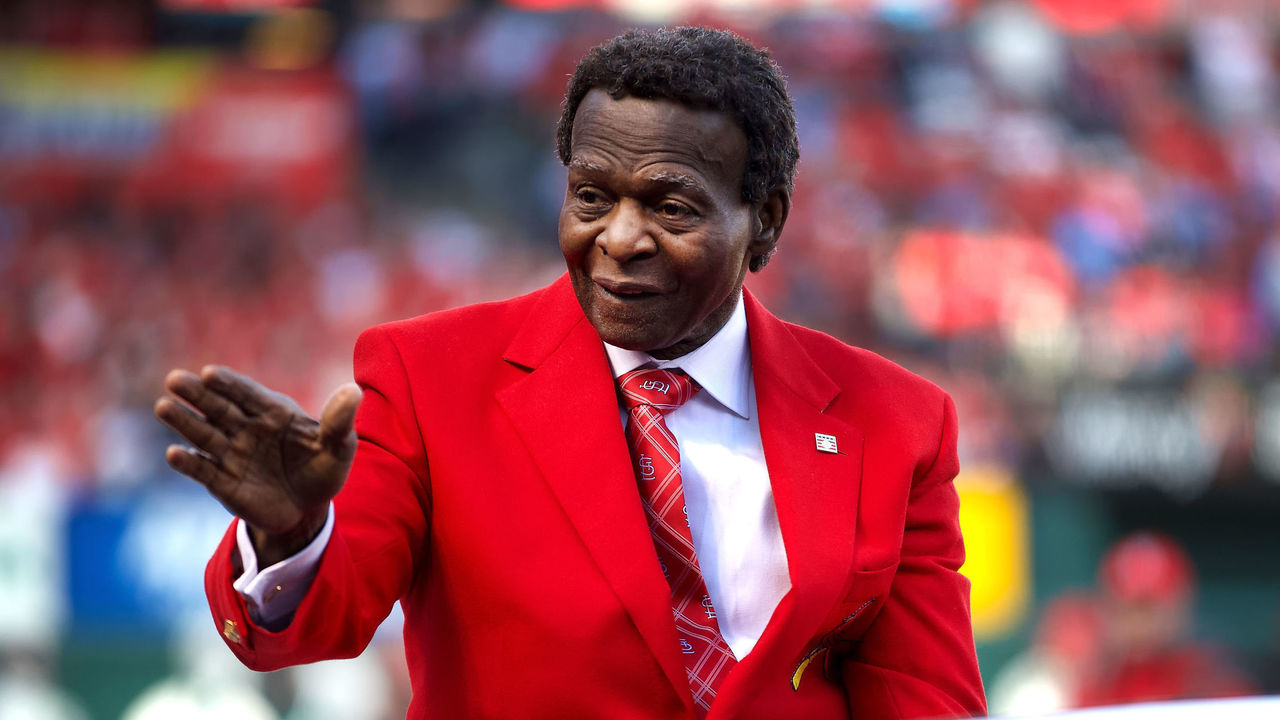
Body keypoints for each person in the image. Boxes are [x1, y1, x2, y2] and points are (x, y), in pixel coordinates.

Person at [154, 27, 985, 719]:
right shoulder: (428, 377)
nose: (619, 237)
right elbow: (322, 619)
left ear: (763, 221)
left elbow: (924, 697)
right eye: (591, 196)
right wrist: (293, 533)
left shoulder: (895, 420)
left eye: (671, 205)